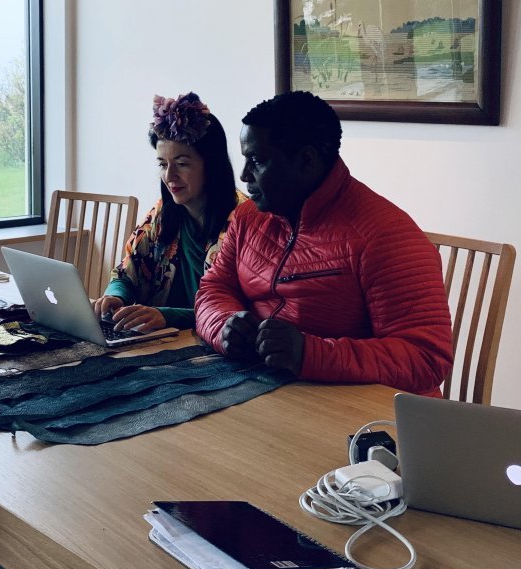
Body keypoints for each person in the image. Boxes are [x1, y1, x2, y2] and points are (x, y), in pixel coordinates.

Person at [195, 90, 453, 395]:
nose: (244, 174)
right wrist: (223, 325)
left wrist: (310, 353)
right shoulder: (248, 217)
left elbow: (426, 358)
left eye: (257, 161)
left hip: (360, 419)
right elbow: (214, 288)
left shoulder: (385, 235)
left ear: (306, 160)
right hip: (268, 393)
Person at [94, 91, 247, 332]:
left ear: (212, 165)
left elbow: (241, 313)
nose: (169, 176)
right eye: (163, 164)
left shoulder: (244, 220)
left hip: (211, 345)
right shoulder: (164, 212)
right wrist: (116, 296)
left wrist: (168, 316)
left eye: (182, 164)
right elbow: (128, 270)